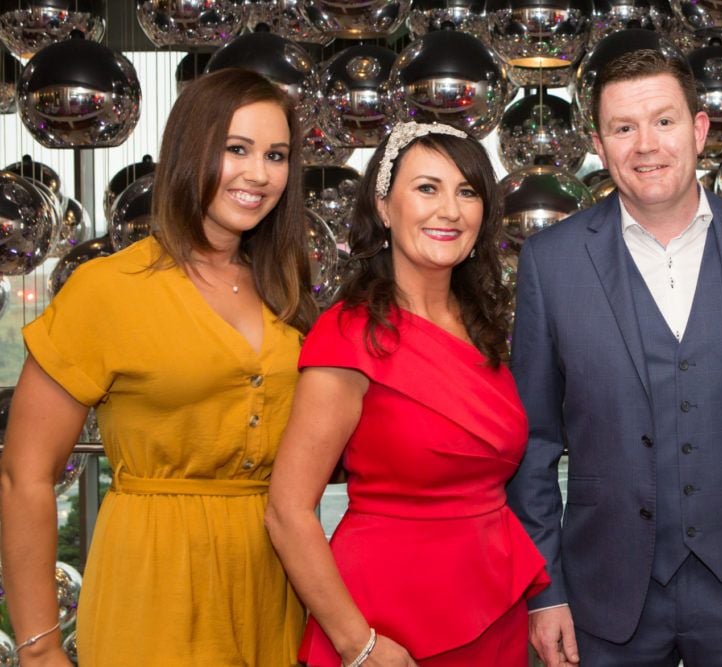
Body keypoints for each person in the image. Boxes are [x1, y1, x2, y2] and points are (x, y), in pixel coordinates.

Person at [0, 68, 317, 666]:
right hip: (152, 583)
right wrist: (39, 648)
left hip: (272, 586)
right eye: (236, 149)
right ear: (190, 149)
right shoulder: (107, 289)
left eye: (276, 155)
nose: (259, 174)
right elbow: (25, 477)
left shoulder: (286, 290)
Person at [506, 48, 722, 666]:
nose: (646, 145)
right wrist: (545, 592)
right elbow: (531, 444)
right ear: (599, 141)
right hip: (606, 591)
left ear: (699, 130)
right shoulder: (551, 261)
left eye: (664, 122)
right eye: (624, 128)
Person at [265, 121, 549, 667]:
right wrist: (359, 645)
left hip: (494, 611)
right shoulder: (348, 334)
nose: (450, 210)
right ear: (383, 206)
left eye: (467, 192)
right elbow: (287, 510)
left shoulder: (486, 328)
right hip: (383, 625)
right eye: (427, 188)